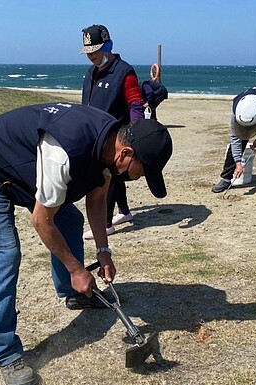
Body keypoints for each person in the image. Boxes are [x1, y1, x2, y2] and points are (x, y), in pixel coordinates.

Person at [0, 102, 172, 385]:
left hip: (24, 167)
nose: (139, 178)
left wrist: (103, 251)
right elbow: (42, 221)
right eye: (141, 172)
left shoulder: (111, 145)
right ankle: (4, 352)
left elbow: (96, 199)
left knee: (69, 218)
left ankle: (73, 294)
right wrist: (76, 268)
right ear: (127, 153)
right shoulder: (66, 151)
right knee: (3, 253)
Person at [80, 24, 144, 239]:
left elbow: (135, 103)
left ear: (107, 46)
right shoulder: (90, 73)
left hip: (116, 135)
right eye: (88, 52)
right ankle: (124, 212)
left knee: (106, 177)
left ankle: (106, 222)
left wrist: (137, 133)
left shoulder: (124, 72)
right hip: (93, 134)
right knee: (115, 177)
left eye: (95, 51)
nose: (92, 57)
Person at [211, 86, 256, 198]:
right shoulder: (237, 109)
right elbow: (235, 139)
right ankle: (226, 178)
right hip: (249, 118)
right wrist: (238, 163)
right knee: (238, 144)